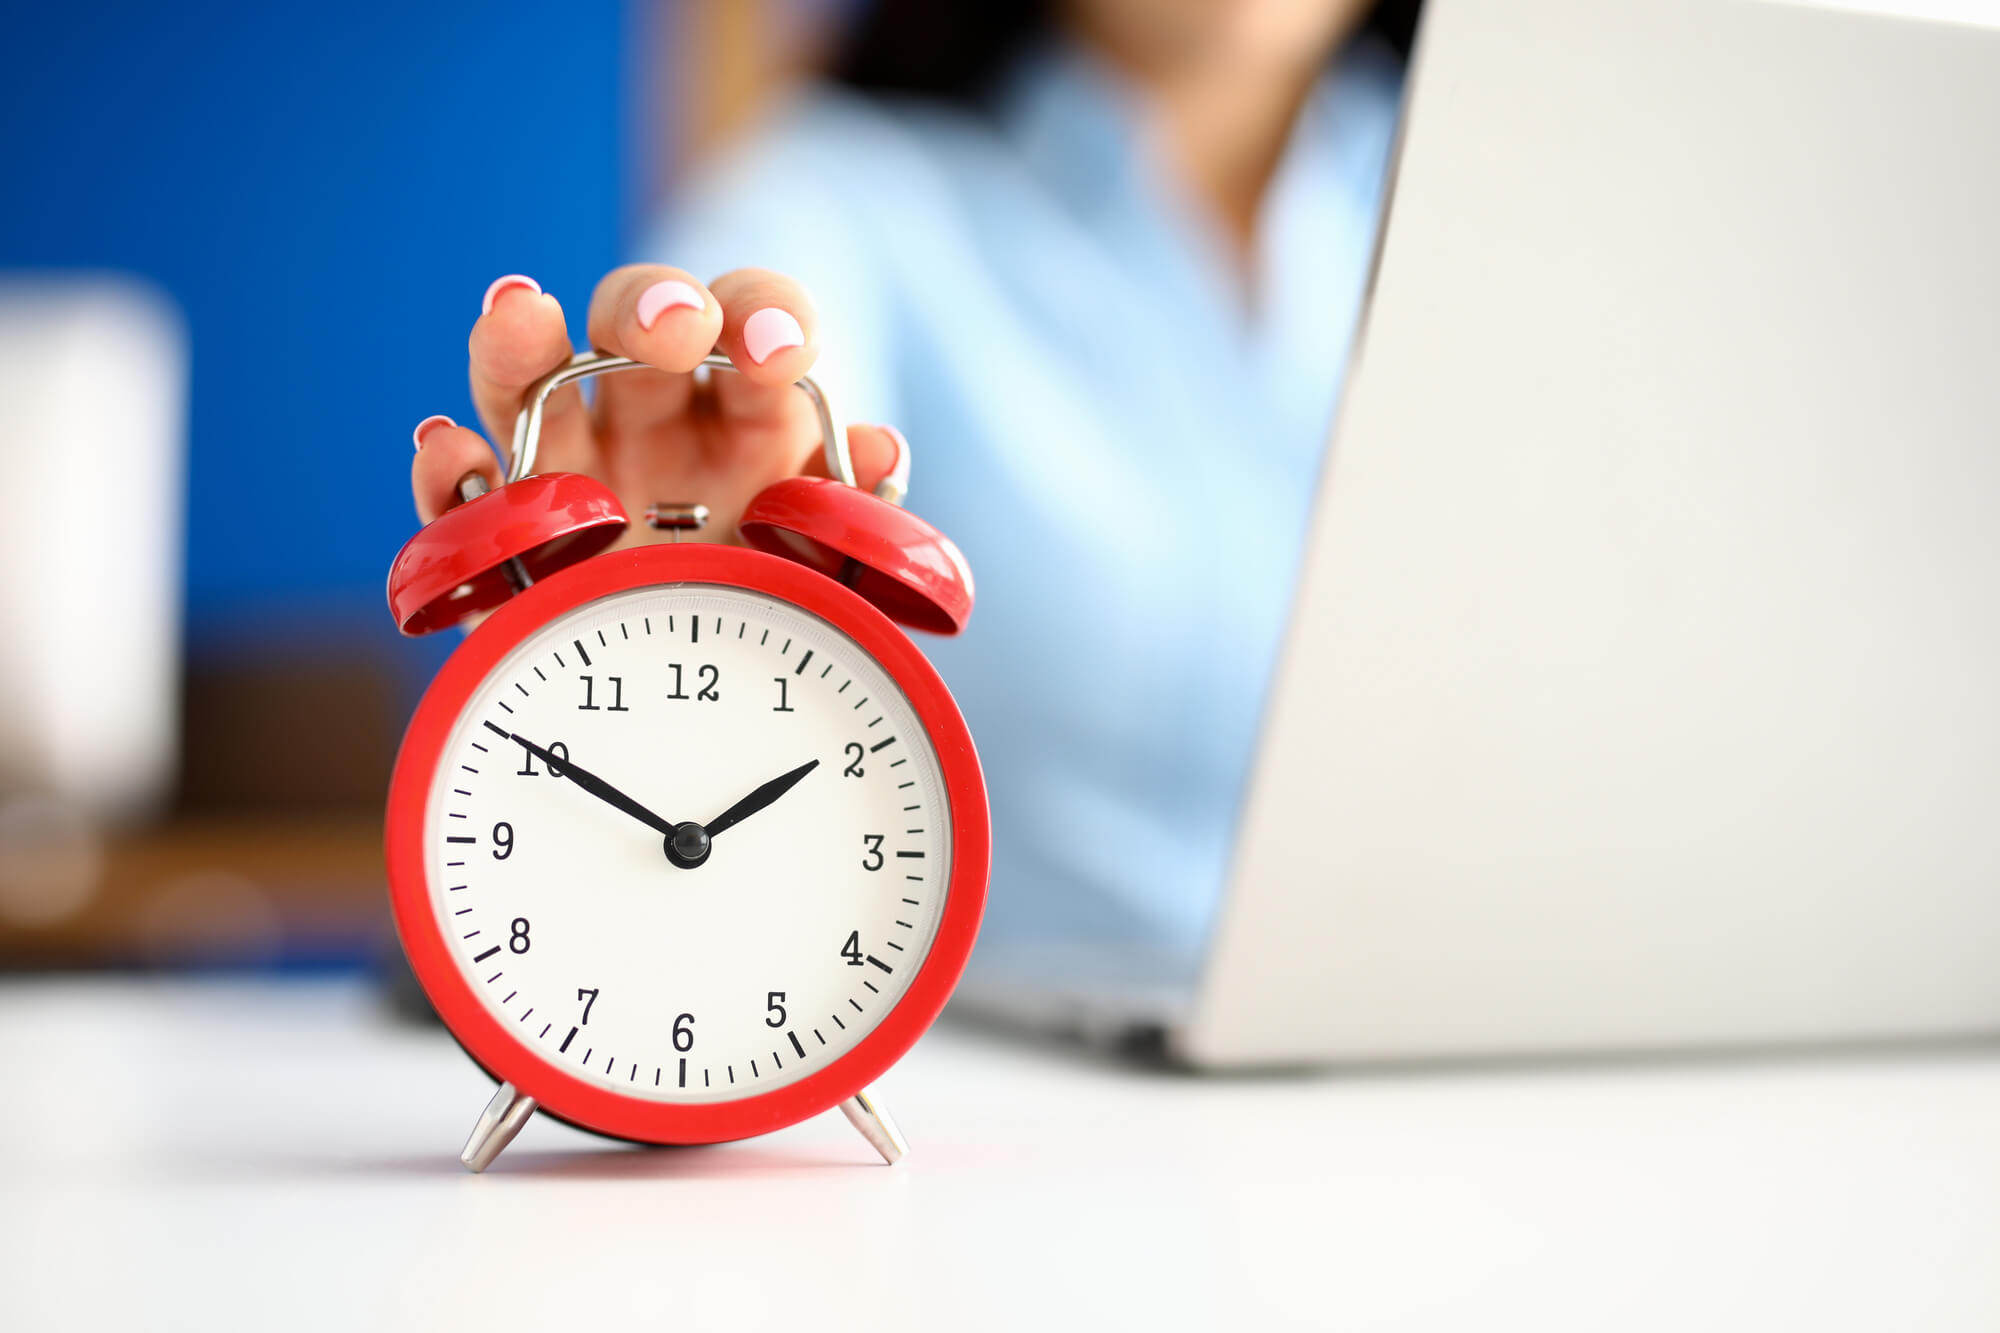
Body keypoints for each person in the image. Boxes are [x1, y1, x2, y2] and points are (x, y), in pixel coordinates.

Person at [409, 0, 1414, 981]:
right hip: (994, 1066)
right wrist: (676, 622)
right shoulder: (832, 196)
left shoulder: (1504, 182)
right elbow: (763, 385)